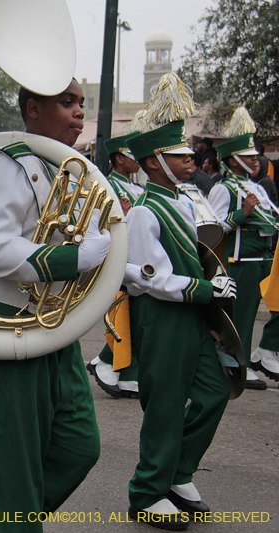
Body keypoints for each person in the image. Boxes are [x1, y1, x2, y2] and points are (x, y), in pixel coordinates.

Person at [0, 80, 107, 533]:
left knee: (79, 446)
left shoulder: (75, 169)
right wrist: (75, 258)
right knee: (13, 471)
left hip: (49, 323)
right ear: (33, 109)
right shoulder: (6, 164)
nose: (79, 112)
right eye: (67, 103)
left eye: (80, 104)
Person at [124, 118, 231, 529]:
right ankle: (147, 492)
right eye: (179, 156)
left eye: (189, 154)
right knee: (165, 406)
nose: (191, 160)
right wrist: (209, 291)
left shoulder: (185, 201)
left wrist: (216, 281)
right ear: (154, 162)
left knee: (214, 392)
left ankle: (179, 470)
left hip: (190, 314)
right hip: (163, 315)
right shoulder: (145, 212)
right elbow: (152, 278)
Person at [208, 108, 277, 390]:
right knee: (244, 314)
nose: (255, 160)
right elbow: (213, 227)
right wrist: (242, 214)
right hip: (241, 258)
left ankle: (265, 350)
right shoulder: (224, 188)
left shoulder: (256, 186)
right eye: (249, 157)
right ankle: (241, 363)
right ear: (233, 161)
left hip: (265, 255)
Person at [87, 132, 143, 398]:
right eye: (132, 156)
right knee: (125, 311)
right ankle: (108, 362)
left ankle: (119, 368)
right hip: (118, 255)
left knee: (135, 313)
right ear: (119, 158)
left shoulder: (137, 188)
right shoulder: (108, 185)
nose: (138, 162)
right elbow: (95, 224)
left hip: (138, 254)